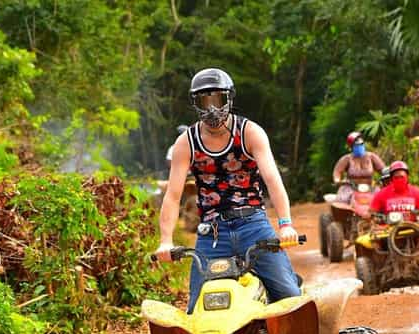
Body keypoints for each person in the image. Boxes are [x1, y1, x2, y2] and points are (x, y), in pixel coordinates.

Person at [154, 67, 301, 313]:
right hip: (212, 233)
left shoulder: (250, 132)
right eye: (205, 100)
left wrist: (285, 224)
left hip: (253, 224)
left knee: (289, 298)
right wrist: (166, 241)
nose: (212, 108)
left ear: (229, 98)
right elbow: (173, 195)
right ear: (195, 103)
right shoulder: (186, 142)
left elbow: (272, 179)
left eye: (217, 99)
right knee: (196, 308)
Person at [332, 132, 385, 203]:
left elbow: (384, 170)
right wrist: (337, 180)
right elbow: (337, 171)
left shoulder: (372, 157)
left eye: (361, 144)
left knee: (382, 199)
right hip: (350, 187)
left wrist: (386, 178)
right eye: (356, 145)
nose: (360, 146)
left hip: (371, 187)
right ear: (351, 147)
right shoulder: (347, 159)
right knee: (341, 201)